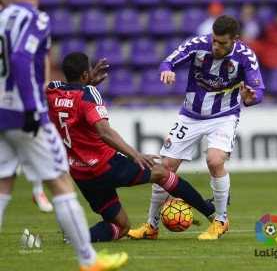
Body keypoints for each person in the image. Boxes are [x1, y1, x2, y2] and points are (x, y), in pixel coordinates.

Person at [0, 0, 128, 270]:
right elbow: (22, 59)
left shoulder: (3, 17)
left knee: (4, 185)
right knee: (60, 182)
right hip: (24, 112)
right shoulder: (36, 19)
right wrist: (33, 109)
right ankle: (88, 260)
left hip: (2, 111)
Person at [45, 51, 216, 243]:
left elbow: (68, 96)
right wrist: (135, 155)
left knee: (122, 226)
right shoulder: (89, 94)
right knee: (161, 173)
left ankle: (76, 236)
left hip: (81, 173)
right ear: (86, 74)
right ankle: (211, 212)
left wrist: (85, 82)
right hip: (106, 165)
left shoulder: (52, 91)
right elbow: (104, 132)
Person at [128, 15, 265, 240]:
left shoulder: (246, 56)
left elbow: (257, 92)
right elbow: (167, 61)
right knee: (165, 168)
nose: (216, 46)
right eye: (214, 40)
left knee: (214, 160)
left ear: (235, 39)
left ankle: (220, 220)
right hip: (189, 116)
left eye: (222, 43)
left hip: (224, 116)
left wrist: (250, 98)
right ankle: (151, 226)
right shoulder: (198, 45)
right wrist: (168, 69)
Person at [0, 0, 52, 213]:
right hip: (15, 101)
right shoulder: (25, 20)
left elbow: (41, 57)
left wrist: (44, 82)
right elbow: (22, 58)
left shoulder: (12, 22)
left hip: (19, 97)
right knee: (53, 166)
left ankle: (38, 189)